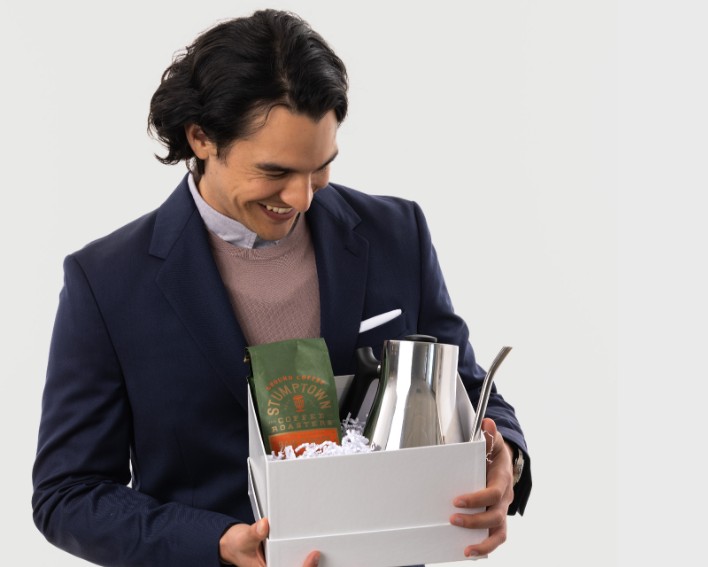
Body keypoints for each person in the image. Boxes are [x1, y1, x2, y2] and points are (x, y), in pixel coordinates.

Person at [32, 9, 531, 567]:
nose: (302, 198)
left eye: (320, 168)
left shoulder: (398, 234)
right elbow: (67, 495)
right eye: (275, 172)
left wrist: (504, 452)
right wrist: (215, 543)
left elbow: (466, 382)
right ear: (201, 138)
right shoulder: (106, 281)